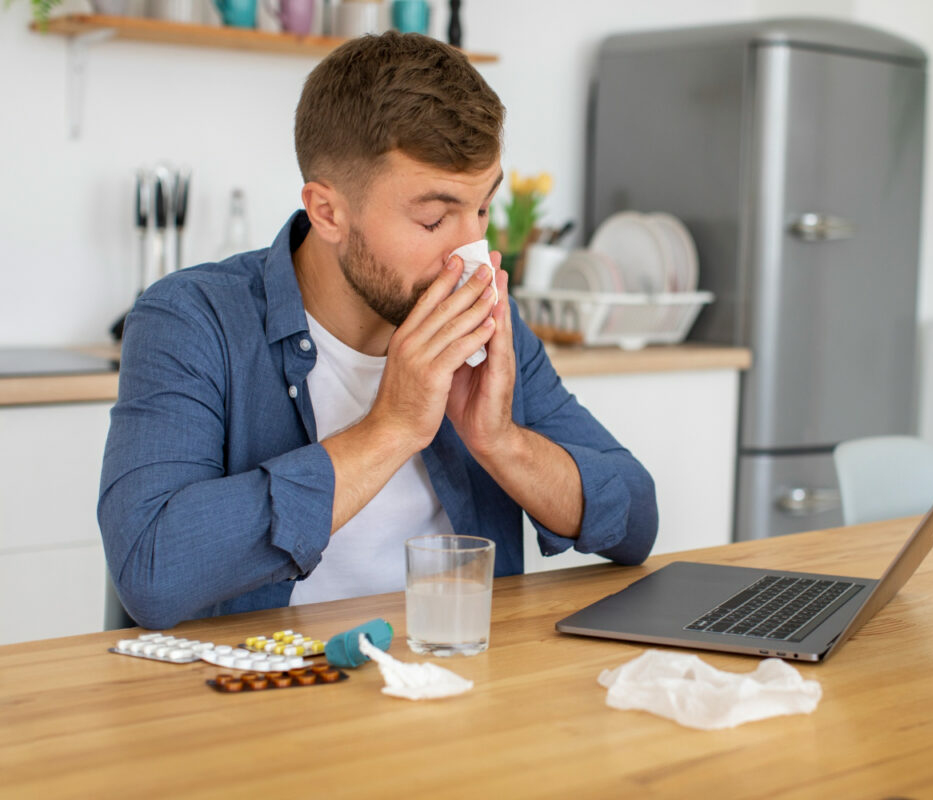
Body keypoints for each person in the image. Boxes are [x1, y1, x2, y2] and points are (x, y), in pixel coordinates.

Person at [98, 32, 658, 631]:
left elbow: (635, 521)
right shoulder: (191, 319)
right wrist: (391, 428)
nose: (472, 252)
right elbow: (151, 573)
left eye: (482, 210)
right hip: (266, 681)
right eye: (434, 219)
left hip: (454, 669)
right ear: (328, 212)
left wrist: (501, 442)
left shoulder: (488, 322)